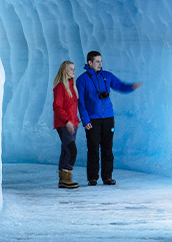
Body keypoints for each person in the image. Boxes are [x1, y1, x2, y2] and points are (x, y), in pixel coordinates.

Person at [76, 51, 141, 186]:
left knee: (107, 148)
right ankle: (92, 178)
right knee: (93, 148)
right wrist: (85, 120)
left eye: (101, 61)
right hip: (93, 119)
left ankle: (107, 177)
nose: (100, 64)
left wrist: (132, 87)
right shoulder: (82, 80)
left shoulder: (107, 76)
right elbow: (80, 102)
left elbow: (120, 86)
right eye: (97, 61)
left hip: (108, 118)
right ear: (90, 63)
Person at [52, 60, 80, 189]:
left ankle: (63, 179)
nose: (73, 71)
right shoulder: (60, 87)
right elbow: (57, 106)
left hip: (72, 123)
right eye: (70, 69)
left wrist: (76, 121)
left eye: (74, 69)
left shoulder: (72, 86)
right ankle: (67, 177)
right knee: (71, 150)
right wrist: (67, 121)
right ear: (64, 71)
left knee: (65, 150)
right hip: (64, 124)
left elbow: (72, 107)